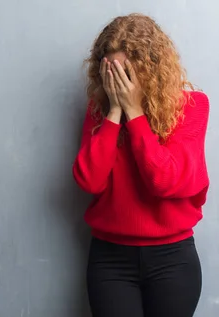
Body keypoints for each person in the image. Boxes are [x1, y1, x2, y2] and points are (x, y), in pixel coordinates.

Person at [72, 13, 210, 317]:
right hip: (110, 259)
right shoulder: (99, 110)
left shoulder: (192, 107)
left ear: (150, 69)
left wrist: (134, 114)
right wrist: (114, 113)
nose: (119, 84)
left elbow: (164, 180)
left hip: (173, 260)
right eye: (112, 73)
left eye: (127, 74)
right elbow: (90, 181)